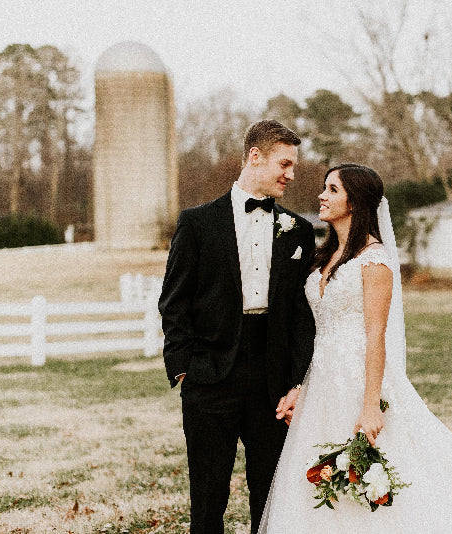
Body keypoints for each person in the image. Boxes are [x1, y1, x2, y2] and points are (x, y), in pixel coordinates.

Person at [258, 163, 452, 533]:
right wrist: (300, 385)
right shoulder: (322, 256)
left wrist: (371, 404)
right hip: (322, 380)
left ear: (355, 202)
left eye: (332, 190)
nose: (321, 196)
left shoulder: (374, 260)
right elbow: (312, 330)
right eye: (324, 188)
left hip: (361, 380)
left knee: (381, 468)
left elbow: (376, 334)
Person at [158, 120, 316, 534]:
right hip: (209, 374)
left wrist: (296, 380)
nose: (291, 174)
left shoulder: (298, 230)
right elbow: (174, 302)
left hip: (272, 381)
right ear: (254, 157)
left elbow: (302, 315)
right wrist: (183, 367)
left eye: (293, 165)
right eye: (285, 163)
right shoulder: (197, 223)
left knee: (271, 497)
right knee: (208, 496)